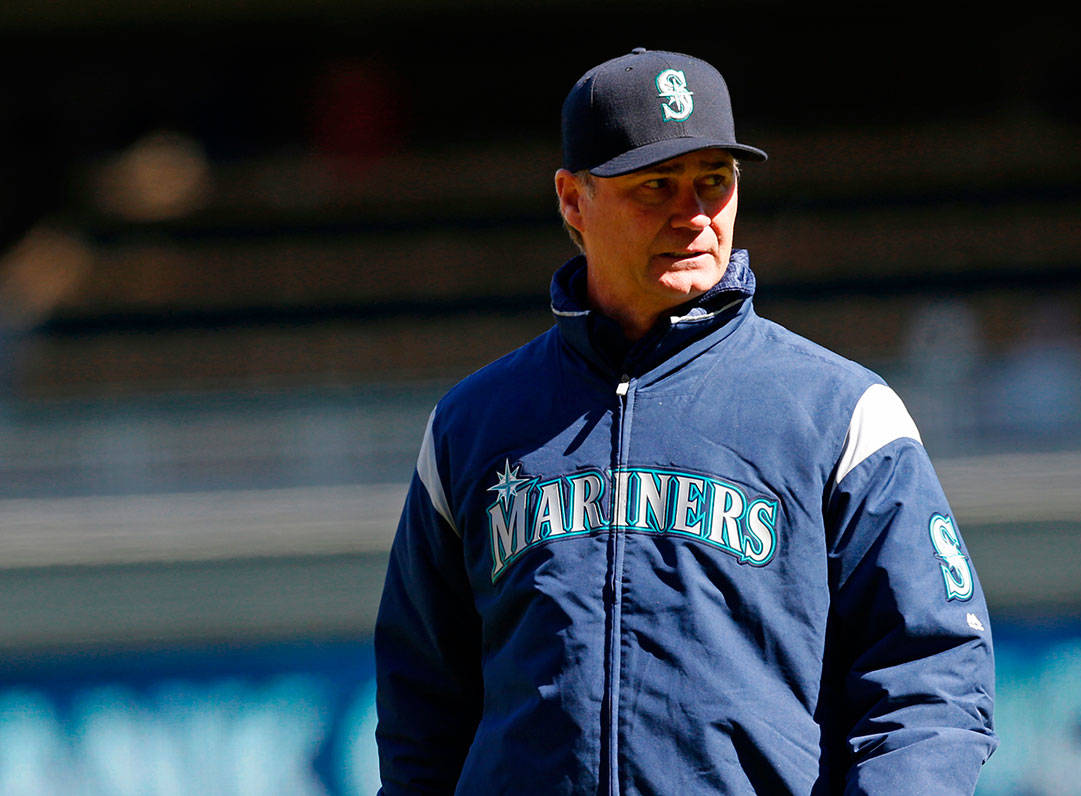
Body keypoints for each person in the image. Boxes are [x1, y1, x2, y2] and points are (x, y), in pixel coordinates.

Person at [375, 48, 997, 794]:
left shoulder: (842, 414)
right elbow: (421, 708)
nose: (695, 215)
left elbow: (931, 682)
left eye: (715, 182)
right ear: (574, 201)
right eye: (656, 186)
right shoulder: (472, 425)